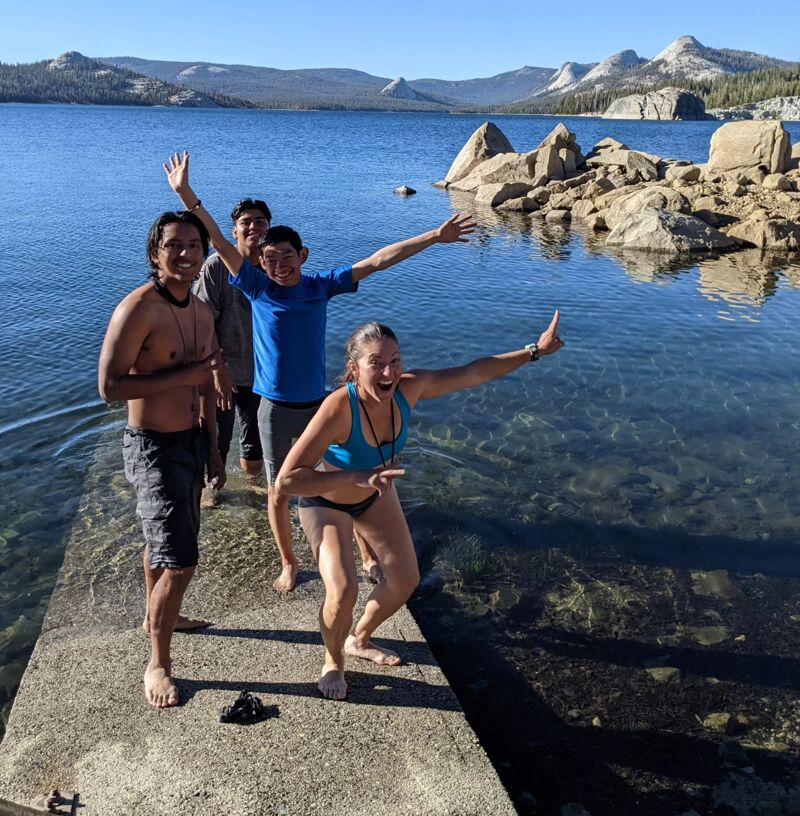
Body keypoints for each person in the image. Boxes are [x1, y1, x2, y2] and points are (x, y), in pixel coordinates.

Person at [163, 150, 476, 593]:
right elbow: (217, 239)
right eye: (270, 259)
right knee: (279, 489)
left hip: (322, 408)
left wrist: (433, 236)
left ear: (302, 255)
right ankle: (289, 562)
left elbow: (377, 261)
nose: (279, 264)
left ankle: (367, 552)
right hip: (274, 407)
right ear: (262, 264)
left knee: (345, 483)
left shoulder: (320, 286)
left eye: (287, 256)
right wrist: (187, 195)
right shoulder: (255, 286)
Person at [274, 314, 565, 700]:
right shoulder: (337, 409)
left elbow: (474, 372)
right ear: (354, 368)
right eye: (376, 362)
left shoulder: (408, 390)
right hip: (326, 500)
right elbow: (288, 481)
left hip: (374, 492)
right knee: (342, 591)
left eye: (395, 360)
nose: (388, 370)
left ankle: (359, 638)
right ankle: (332, 660)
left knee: (405, 580)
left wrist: (534, 352)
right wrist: (355, 477)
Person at [98, 211, 227, 709]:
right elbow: (109, 387)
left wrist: (214, 446)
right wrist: (186, 374)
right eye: (175, 245)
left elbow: (207, 386)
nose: (187, 253)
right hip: (152, 446)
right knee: (182, 559)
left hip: (191, 443)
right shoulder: (138, 309)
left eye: (195, 245)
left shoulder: (200, 312)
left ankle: (159, 615)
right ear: (156, 253)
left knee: (165, 545)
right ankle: (157, 663)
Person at [194, 198, 272, 481]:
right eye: (246, 222)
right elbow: (203, 323)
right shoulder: (215, 267)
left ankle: (252, 494)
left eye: (260, 222)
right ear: (234, 231)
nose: (254, 227)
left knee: (254, 448)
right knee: (215, 441)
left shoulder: (274, 267)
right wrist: (217, 369)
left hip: (260, 375)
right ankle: (209, 493)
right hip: (221, 372)